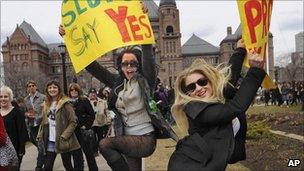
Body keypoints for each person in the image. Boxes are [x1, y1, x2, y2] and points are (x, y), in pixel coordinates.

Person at [59, 3, 177, 170]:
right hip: (126, 136)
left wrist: (143, 23)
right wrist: (69, 39)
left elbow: (148, 56)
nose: (129, 68)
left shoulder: (146, 80)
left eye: (133, 63)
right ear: (120, 66)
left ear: (139, 64)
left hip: (145, 138)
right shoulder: (116, 82)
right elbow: (92, 66)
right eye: (125, 64)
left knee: (105, 145)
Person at [167, 49, 266, 170]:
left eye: (202, 82)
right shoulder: (194, 109)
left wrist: (240, 50)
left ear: (210, 81)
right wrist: (255, 70)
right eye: (191, 87)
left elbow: (229, 79)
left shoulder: (217, 100)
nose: (198, 88)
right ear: (187, 94)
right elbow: (236, 107)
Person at [36, 80, 83, 171]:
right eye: (50, 88)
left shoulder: (65, 103)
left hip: (63, 139)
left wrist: (64, 136)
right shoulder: (46, 104)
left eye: (54, 87)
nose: (52, 89)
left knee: (67, 165)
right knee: (47, 166)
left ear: (59, 89)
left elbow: (73, 121)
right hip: (50, 140)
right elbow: (44, 122)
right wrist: (40, 134)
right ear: (47, 90)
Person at [67, 83, 98, 171]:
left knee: (88, 153)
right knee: (76, 155)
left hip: (83, 130)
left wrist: (86, 126)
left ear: (78, 91)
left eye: (75, 90)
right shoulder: (67, 102)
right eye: (71, 90)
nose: (73, 92)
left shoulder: (84, 100)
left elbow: (92, 115)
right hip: (73, 132)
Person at [0, 86, 29, 170]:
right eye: (1, 97)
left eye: (6, 96)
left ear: (10, 98)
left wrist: (21, 149)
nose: (3, 99)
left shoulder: (17, 112)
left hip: (14, 150)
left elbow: (22, 132)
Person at [23, 80, 46, 170]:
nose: (31, 87)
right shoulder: (26, 99)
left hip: (41, 124)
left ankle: (39, 166)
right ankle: (45, 155)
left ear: (36, 87)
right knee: (33, 141)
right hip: (32, 125)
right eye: (29, 86)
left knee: (40, 145)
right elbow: (25, 111)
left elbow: (45, 111)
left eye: (33, 85)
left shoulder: (42, 97)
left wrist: (37, 117)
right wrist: (27, 115)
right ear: (27, 88)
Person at [88, 87, 111, 156]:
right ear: (89, 94)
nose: (93, 95)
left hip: (101, 122)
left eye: (94, 93)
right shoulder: (86, 102)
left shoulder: (103, 102)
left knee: (101, 137)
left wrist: (108, 120)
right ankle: (95, 151)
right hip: (92, 123)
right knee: (92, 138)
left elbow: (107, 112)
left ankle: (102, 149)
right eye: (91, 94)